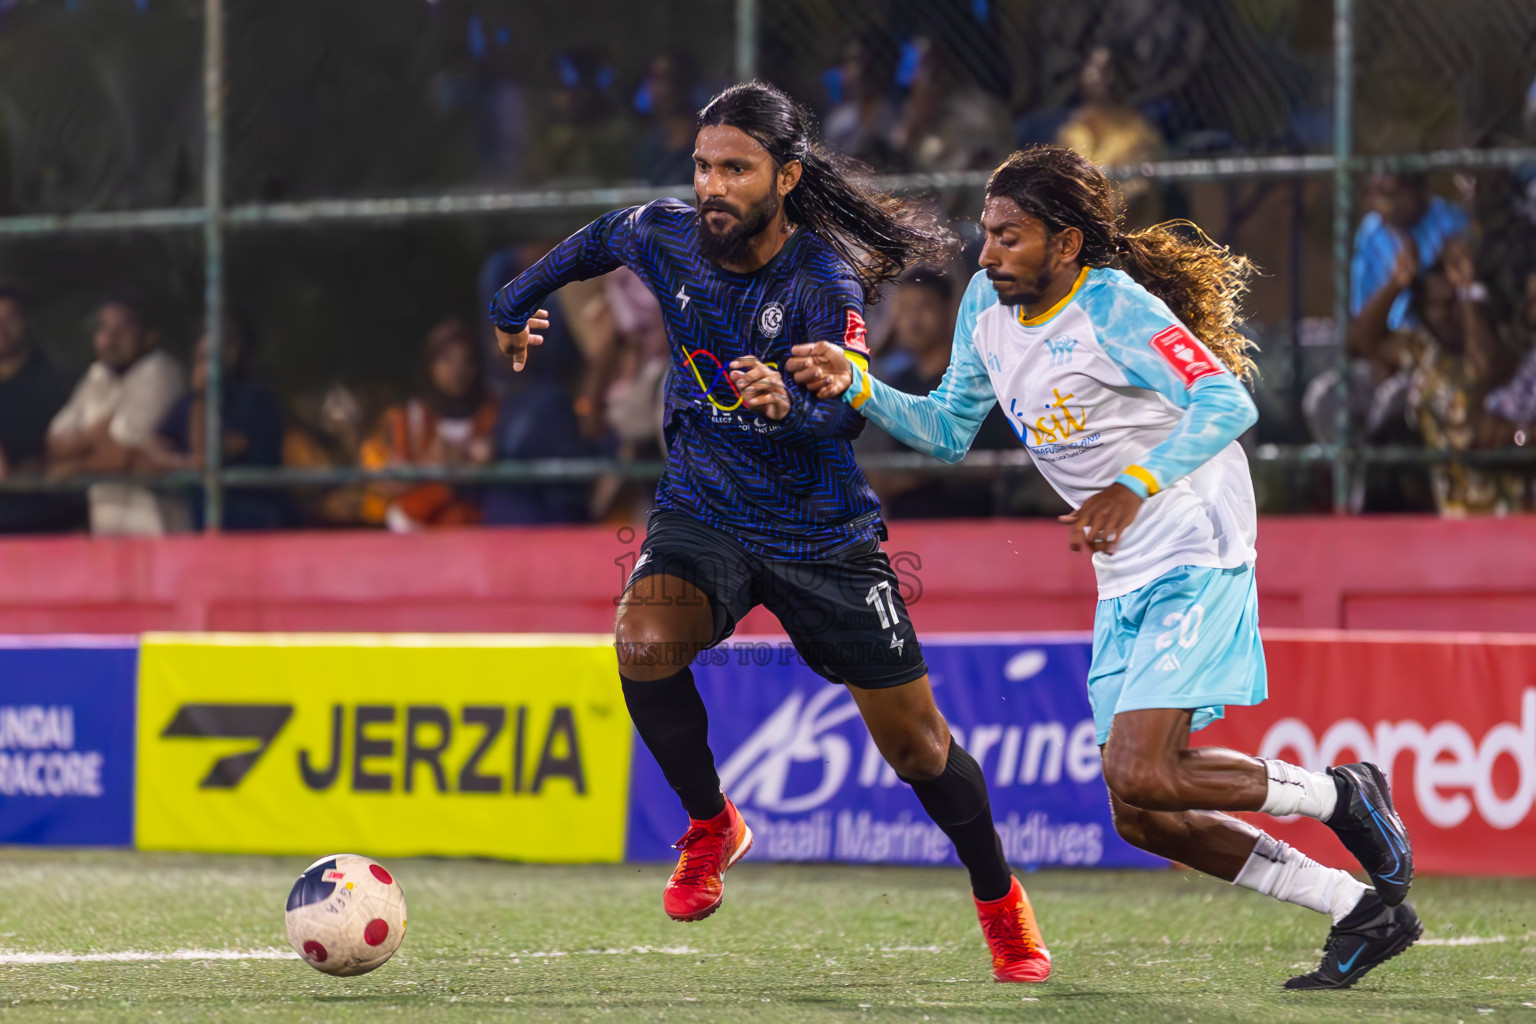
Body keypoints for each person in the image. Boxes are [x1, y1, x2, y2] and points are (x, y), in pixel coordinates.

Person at [788, 145, 1421, 992]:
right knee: (1141, 816)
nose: (986, 254)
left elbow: (1229, 403)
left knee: (1143, 770)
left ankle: (1341, 796)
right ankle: (1356, 908)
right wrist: (856, 383)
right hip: (1125, 564)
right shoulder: (987, 304)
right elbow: (946, 429)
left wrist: (1132, 486)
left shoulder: (1116, 308)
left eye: (1009, 237)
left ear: (1068, 245)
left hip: (1197, 537)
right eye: (985, 233)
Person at [490, 81, 1052, 984]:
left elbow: (842, 426)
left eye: (736, 170)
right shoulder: (665, 235)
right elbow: (596, 239)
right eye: (705, 166)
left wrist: (792, 404)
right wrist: (513, 307)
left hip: (823, 535)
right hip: (704, 510)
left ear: (785, 177)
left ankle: (1000, 902)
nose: (712, 186)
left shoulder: (823, 282)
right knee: (642, 640)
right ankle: (711, 825)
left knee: (921, 750)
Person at [47, 298, 186, 535]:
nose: (111, 339)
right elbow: (54, 443)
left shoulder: (160, 371)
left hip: (156, 526)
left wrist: (74, 466)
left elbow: (121, 455)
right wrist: (100, 434)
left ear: (149, 336)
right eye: (105, 329)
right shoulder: (97, 374)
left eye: (122, 330)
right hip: (106, 526)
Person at [138, 317, 291, 531]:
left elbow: (206, 455)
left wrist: (202, 397)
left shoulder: (254, 399)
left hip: (252, 521)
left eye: (208, 358)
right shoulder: (187, 403)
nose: (201, 367)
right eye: (199, 359)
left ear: (233, 353)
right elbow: (150, 448)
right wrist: (176, 462)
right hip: (204, 523)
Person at [360, 319, 498, 531]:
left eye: (467, 361)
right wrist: (434, 468)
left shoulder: (493, 412)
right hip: (420, 528)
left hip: (482, 527)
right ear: (430, 365)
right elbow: (393, 481)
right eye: (446, 360)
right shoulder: (409, 417)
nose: (457, 370)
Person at [0, 287, 77, 533]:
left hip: (42, 511)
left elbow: (70, 449)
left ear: (26, 321)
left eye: (9, 318)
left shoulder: (56, 381)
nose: (1, 328)